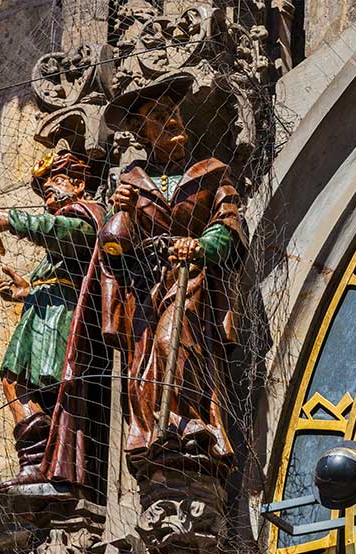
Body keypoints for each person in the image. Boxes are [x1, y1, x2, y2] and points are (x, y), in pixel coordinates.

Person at [100, 73, 246, 477]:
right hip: (145, 287)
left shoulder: (212, 172)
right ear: (143, 133)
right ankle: (154, 428)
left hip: (191, 278)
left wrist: (200, 245)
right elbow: (114, 248)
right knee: (146, 359)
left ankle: (186, 420)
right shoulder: (130, 182)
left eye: (175, 113)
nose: (173, 121)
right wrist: (122, 212)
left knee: (174, 341)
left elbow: (230, 223)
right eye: (161, 116)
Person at [0, 151, 105, 491]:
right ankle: (34, 462)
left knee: (48, 387)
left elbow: (65, 233)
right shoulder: (55, 243)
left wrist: (9, 220)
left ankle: (52, 468)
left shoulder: (88, 216)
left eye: (57, 180)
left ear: (79, 184)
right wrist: (24, 290)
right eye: (45, 184)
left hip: (61, 319)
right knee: (13, 380)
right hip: (40, 315)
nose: (48, 187)